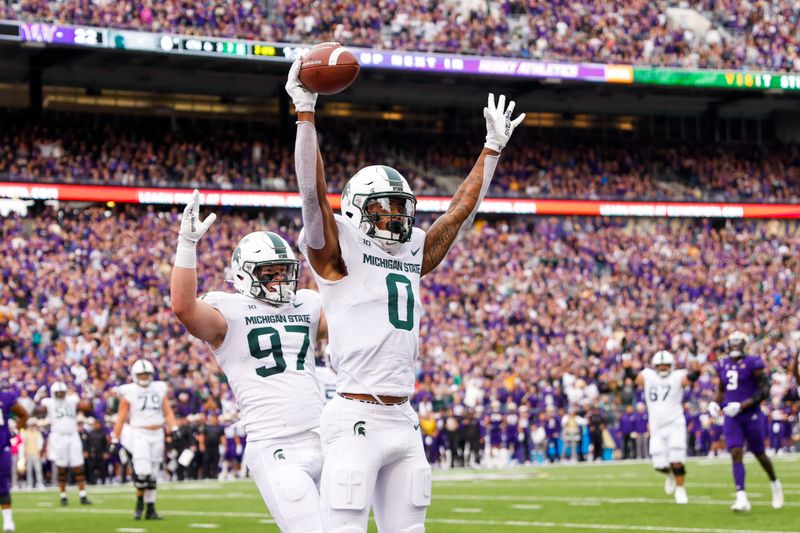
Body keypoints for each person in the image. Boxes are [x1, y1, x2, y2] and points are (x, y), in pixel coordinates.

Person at [286, 54, 524, 531]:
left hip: (404, 416)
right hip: (354, 412)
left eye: (400, 206)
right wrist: (306, 112)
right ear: (356, 210)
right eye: (384, 206)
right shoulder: (339, 248)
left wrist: (491, 150)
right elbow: (313, 197)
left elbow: (456, 215)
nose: (396, 215)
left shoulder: (410, 250)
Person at [170, 191, 327, 533]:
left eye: (284, 272)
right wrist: (186, 244)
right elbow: (183, 308)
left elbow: (351, 319)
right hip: (276, 445)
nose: (278, 281)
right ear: (243, 275)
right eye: (268, 273)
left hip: (325, 436)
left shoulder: (307, 303)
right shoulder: (229, 311)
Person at [708, 331, 783, 512]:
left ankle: (775, 483)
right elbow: (721, 388)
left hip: (751, 414)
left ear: (744, 344)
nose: (734, 346)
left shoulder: (753, 363)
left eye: (737, 343)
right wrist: (714, 402)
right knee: (735, 451)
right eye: (732, 343)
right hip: (731, 416)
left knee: (759, 453)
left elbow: (764, 390)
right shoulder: (723, 363)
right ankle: (741, 497)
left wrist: (742, 406)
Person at [111, 359, 178, 520]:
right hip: (139, 433)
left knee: (153, 473)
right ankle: (139, 503)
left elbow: (167, 411)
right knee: (142, 472)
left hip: (158, 433)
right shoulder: (129, 391)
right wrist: (115, 438)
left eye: (146, 374)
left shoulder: (158, 388)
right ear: (134, 376)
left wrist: (174, 427)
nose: (144, 378)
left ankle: (151, 508)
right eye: (141, 375)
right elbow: (121, 417)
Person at [633, 351, 700, 504]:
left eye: (665, 365)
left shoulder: (677, 376)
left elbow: (691, 378)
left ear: (671, 366)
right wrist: (627, 365)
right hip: (656, 425)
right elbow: (634, 378)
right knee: (659, 464)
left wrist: (696, 364)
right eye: (660, 365)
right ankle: (670, 474)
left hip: (674, 423)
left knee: (676, 459)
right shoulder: (649, 376)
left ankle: (681, 489)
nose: (663, 368)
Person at [40, 382, 92, 506]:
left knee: (78, 466)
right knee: (61, 468)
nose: (59, 395)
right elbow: (36, 410)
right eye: (57, 393)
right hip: (58, 436)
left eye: (61, 393)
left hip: (72, 435)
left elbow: (88, 407)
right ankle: (63, 495)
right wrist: (37, 399)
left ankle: (83, 495)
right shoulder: (49, 402)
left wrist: (89, 396)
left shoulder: (72, 399)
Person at [0, 389, 28, 532]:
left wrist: (16, 432)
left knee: (2, 484)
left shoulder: (5, 397)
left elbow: (23, 414)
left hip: (2, 445)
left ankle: (8, 521)